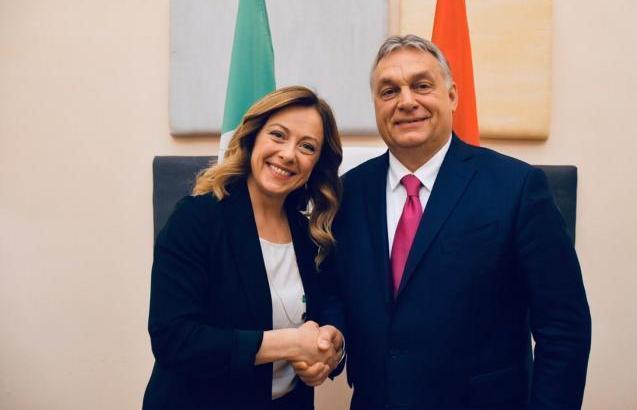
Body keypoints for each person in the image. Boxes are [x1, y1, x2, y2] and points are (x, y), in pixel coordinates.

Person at [315, 35, 592, 409]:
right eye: (389, 91)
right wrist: (333, 336)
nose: (406, 101)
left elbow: (563, 327)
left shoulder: (517, 187)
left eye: (421, 85)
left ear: (452, 96)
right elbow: (335, 291)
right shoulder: (348, 193)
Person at [143, 86, 345, 410]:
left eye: (307, 146)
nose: (288, 154)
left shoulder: (309, 233)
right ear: (253, 138)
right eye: (278, 135)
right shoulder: (197, 219)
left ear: (316, 163)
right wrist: (288, 343)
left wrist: (331, 342)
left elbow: (330, 300)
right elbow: (174, 338)